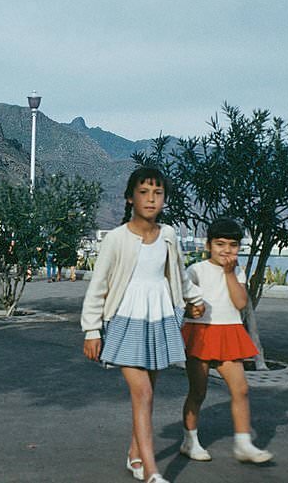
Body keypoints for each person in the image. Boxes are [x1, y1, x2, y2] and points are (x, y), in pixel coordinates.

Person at [80, 167, 205, 483]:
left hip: (159, 319)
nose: (151, 199)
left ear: (164, 199)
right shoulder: (116, 239)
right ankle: (152, 472)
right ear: (130, 197)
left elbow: (178, 273)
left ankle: (135, 455)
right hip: (125, 322)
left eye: (158, 193)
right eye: (144, 192)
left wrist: (194, 298)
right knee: (144, 393)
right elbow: (98, 286)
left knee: (147, 395)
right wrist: (92, 330)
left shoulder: (168, 235)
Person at [179, 217, 273, 464]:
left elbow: (240, 303)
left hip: (229, 332)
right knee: (198, 391)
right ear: (208, 245)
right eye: (220, 244)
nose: (226, 250)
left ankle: (243, 444)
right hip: (200, 334)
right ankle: (189, 441)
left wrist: (230, 274)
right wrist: (189, 309)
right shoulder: (196, 270)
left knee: (241, 389)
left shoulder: (237, 271)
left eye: (233, 245)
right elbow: (182, 302)